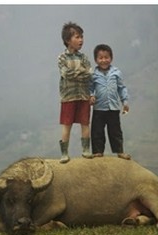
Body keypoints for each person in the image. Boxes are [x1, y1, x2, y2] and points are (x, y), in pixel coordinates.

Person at [57, 21, 94, 163]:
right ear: (68, 40)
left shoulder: (83, 57)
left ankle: (86, 150)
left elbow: (89, 73)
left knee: (85, 123)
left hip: (83, 95)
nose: (81, 40)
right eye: (77, 37)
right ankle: (64, 153)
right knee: (67, 125)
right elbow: (66, 74)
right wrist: (81, 72)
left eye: (82, 37)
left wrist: (77, 72)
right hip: (68, 97)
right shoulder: (62, 57)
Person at [89, 44, 132, 160]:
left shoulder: (116, 73)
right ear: (96, 60)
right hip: (99, 108)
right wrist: (91, 96)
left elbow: (121, 88)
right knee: (97, 131)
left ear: (111, 58)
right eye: (100, 58)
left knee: (115, 131)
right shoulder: (93, 74)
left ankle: (120, 151)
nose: (104, 60)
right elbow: (90, 87)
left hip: (113, 107)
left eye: (106, 57)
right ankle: (98, 151)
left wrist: (125, 101)